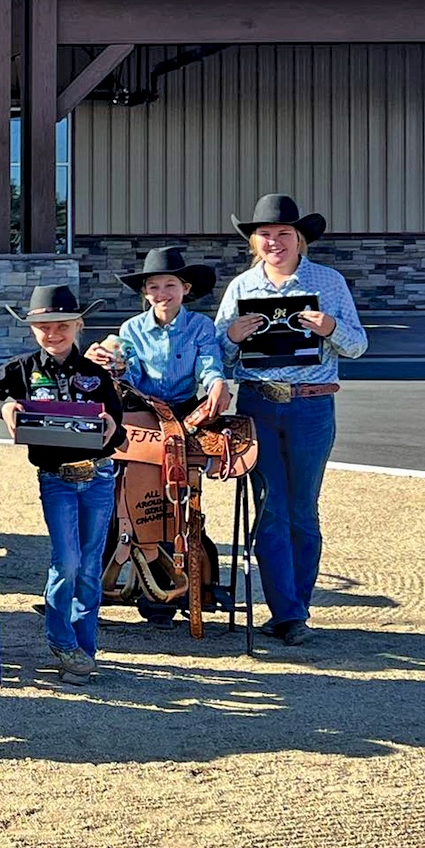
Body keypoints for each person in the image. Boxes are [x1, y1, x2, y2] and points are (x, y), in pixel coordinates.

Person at [214, 194, 367, 648]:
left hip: (312, 406)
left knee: (303, 508)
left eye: (283, 234)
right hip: (258, 404)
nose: (274, 242)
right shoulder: (241, 287)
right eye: (265, 235)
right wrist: (231, 338)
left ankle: (296, 609)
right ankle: (287, 612)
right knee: (271, 507)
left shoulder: (329, 282)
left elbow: (357, 346)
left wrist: (330, 329)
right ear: (253, 242)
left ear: (300, 239)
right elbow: (215, 356)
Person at [0, 285, 126, 686]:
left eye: (62, 325)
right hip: (55, 478)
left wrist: (112, 426)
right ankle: (62, 642)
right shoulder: (23, 369)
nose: (53, 333)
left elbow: (116, 426)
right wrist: (6, 405)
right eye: (43, 326)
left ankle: (84, 648)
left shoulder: (96, 373)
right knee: (67, 561)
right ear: (32, 330)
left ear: (78, 326)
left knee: (91, 564)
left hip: (98, 476)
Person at [86, 246, 231, 418]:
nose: (162, 293)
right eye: (153, 287)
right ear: (145, 293)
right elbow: (131, 375)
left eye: (170, 285)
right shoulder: (131, 328)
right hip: (142, 406)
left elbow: (208, 363)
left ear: (186, 288)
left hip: (186, 407)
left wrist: (217, 382)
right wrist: (113, 366)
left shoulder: (201, 325)